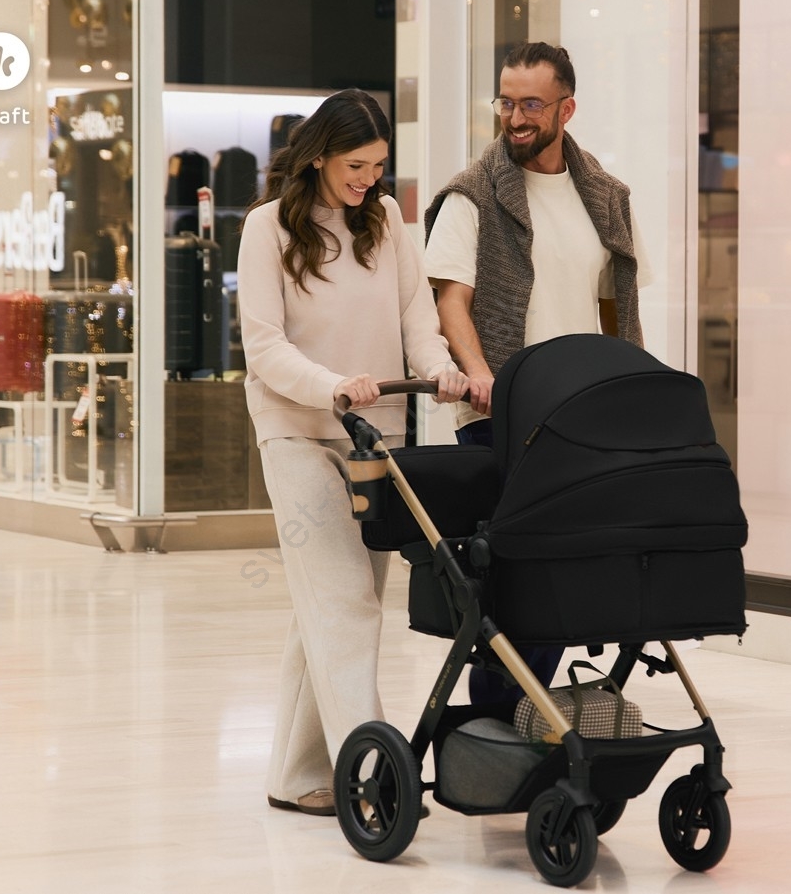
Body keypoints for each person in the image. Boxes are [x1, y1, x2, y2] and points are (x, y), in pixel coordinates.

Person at [237, 89, 469, 817]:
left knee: (331, 604)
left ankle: (296, 773)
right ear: (319, 157)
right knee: (344, 602)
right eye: (356, 165)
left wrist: (441, 370)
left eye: (377, 166)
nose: (369, 179)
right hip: (297, 431)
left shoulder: (389, 221)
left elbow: (416, 318)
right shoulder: (267, 227)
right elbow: (264, 346)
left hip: (378, 433)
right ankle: (372, 773)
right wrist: (332, 386)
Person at [423, 41, 651, 703]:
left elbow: (616, 307)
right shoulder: (472, 195)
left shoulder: (605, 197)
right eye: (506, 102)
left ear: (565, 109)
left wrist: (629, 389)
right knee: (519, 581)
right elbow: (451, 301)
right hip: (501, 415)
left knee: (564, 573)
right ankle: (498, 724)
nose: (515, 118)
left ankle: (522, 725)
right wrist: (481, 376)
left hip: (579, 420)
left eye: (531, 104)